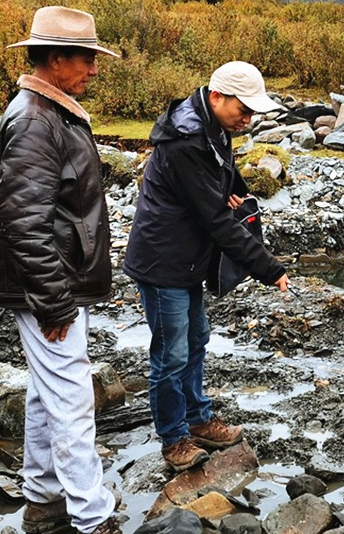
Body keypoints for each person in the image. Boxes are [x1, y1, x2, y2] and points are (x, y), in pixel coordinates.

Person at [0, 6, 122, 534]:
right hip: (51, 286)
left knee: (48, 392)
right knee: (71, 397)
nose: (94, 68)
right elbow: (23, 223)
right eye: (86, 58)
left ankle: (43, 497)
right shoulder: (35, 121)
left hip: (55, 281)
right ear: (55, 58)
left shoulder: (50, 112)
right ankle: (93, 517)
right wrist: (54, 302)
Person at [123, 61, 291, 472]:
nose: (248, 119)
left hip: (187, 258)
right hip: (163, 261)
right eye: (244, 110)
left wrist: (234, 188)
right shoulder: (186, 141)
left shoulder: (212, 127)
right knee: (171, 354)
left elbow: (222, 169)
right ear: (217, 96)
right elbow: (216, 222)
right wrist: (268, 267)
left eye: (253, 112)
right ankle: (173, 438)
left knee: (196, 337)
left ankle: (198, 420)